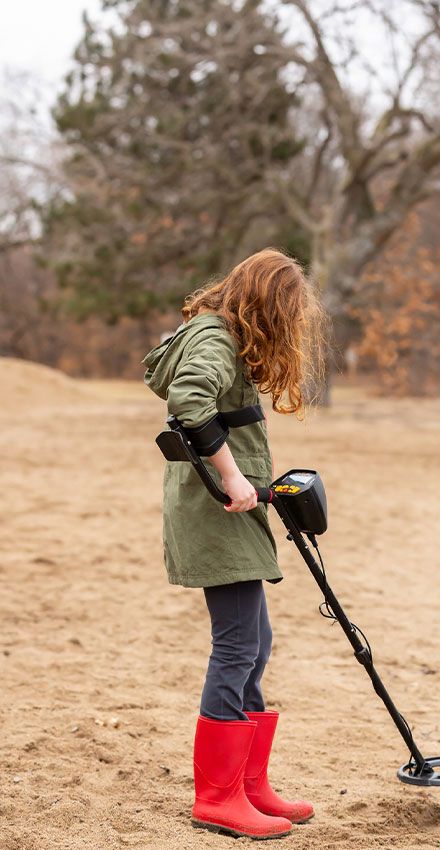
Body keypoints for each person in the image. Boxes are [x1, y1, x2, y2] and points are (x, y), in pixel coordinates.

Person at [142, 248, 325, 839]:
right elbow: (188, 402)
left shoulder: (217, 336)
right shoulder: (215, 341)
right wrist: (232, 474)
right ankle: (218, 797)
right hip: (216, 509)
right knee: (237, 644)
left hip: (226, 508)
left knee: (256, 641)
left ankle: (249, 784)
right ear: (264, 303)